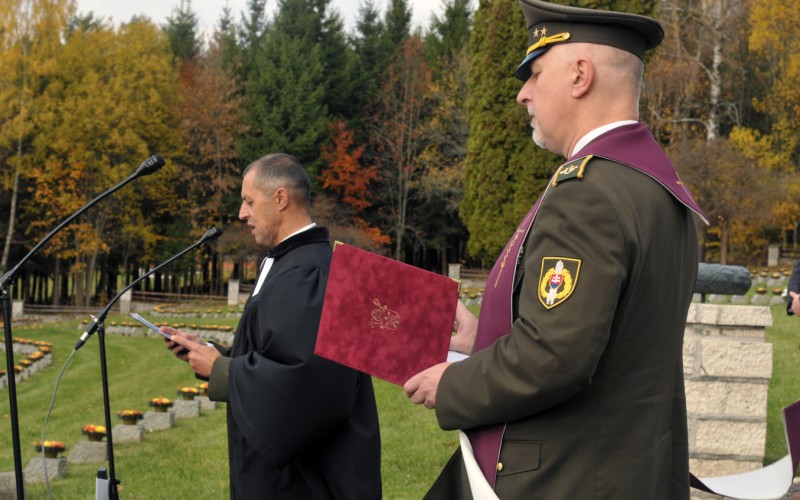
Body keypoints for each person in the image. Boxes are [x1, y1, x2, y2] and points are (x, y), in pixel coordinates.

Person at [404, 0, 707, 498]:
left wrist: (451, 386)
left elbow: (555, 357)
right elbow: (604, 337)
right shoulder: (654, 185)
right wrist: (483, 335)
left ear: (580, 75)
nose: (523, 94)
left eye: (535, 73)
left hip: (565, 476)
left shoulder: (588, 192)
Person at [162, 153, 382, 499]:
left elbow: (307, 379)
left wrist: (224, 371)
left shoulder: (308, 273)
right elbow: (277, 351)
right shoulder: (289, 262)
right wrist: (214, 355)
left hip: (305, 484)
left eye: (249, 201)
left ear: (281, 199)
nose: (241, 214)